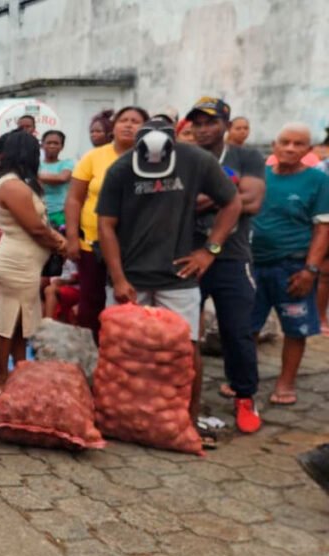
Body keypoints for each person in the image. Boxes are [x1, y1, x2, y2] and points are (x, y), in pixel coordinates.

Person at [96, 120, 242, 431]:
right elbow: (106, 225)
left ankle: (186, 422)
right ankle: (117, 418)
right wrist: (119, 278)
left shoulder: (196, 161)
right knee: (121, 348)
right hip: (130, 276)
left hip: (178, 275)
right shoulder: (120, 170)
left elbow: (232, 202)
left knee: (186, 347)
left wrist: (209, 250)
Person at [186, 97, 266, 433]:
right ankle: (182, 398)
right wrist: (228, 190)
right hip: (189, 255)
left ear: (226, 125)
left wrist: (208, 200)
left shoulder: (245, 156)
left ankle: (245, 396)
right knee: (186, 333)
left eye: (211, 122)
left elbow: (253, 201)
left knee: (237, 331)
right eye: (198, 123)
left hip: (232, 257)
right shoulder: (186, 157)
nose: (203, 129)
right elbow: (182, 204)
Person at [251, 123, 329, 406]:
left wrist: (311, 269)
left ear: (308, 151)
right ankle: (245, 381)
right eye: (285, 142)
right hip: (253, 265)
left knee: (295, 329)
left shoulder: (317, 181)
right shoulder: (259, 174)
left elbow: (323, 227)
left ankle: (286, 382)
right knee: (247, 326)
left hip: (293, 267)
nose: (290, 148)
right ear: (274, 145)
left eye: (298, 144)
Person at [65, 106, 149, 339]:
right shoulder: (94, 157)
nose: (129, 125)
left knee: (128, 301)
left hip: (134, 246)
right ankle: (91, 352)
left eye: (136, 121)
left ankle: (120, 350)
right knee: (91, 299)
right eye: (124, 120)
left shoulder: (152, 159)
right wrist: (72, 236)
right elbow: (74, 198)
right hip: (92, 243)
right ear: (113, 126)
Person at [0, 131, 66, 388]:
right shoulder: (12, 185)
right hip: (17, 263)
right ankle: (2, 377)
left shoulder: (19, 183)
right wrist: (61, 244)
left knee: (21, 320)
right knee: (8, 319)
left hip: (25, 262)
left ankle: (19, 371)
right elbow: (35, 228)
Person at [38, 130, 75, 227]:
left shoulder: (67, 163)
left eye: (56, 143)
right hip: (38, 212)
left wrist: (35, 176)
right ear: (42, 145)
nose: (52, 146)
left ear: (62, 147)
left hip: (60, 212)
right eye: (48, 143)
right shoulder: (36, 164)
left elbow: (63, 178)